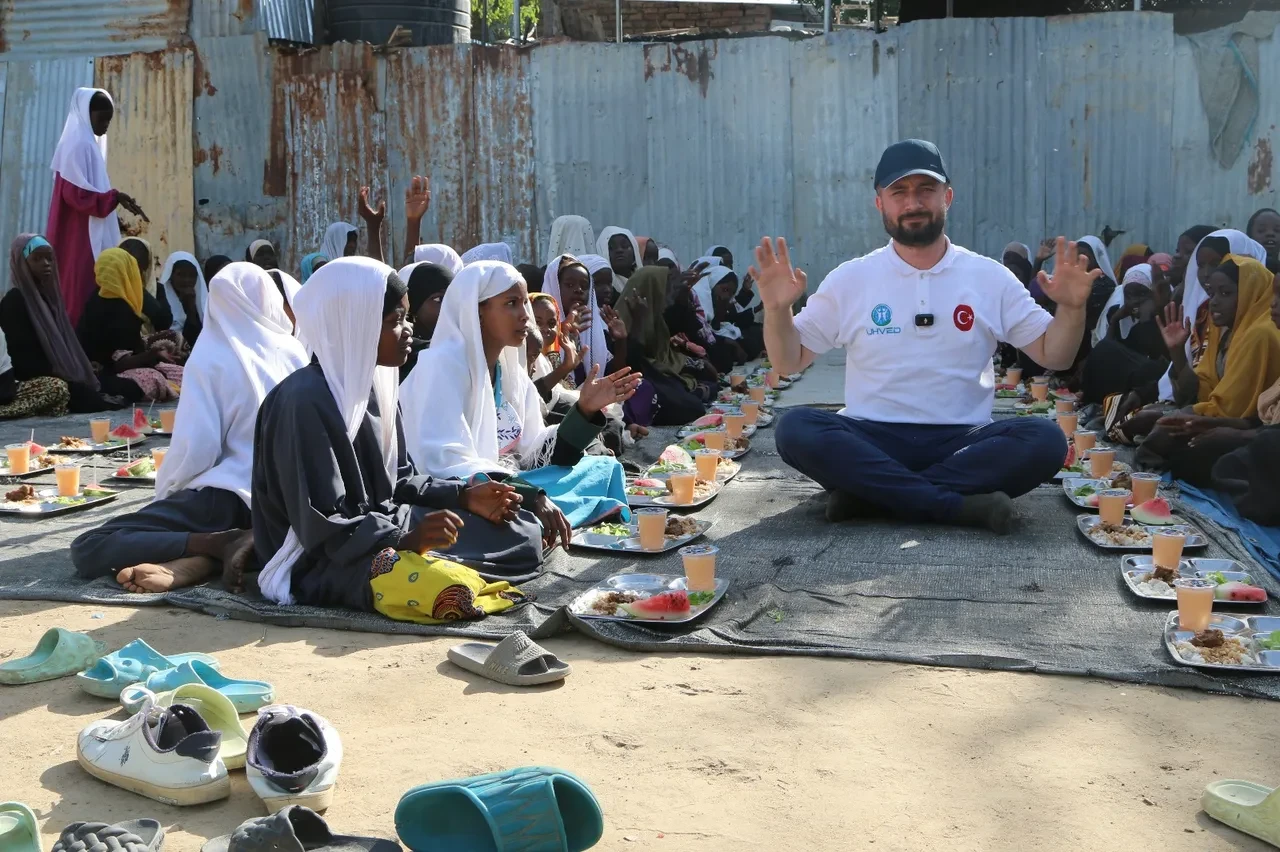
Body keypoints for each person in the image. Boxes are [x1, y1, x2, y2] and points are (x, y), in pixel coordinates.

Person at [762, 139, 1096, 533]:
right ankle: (955, 506)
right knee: (796, 429)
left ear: (947, 196)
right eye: (899, 192)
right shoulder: (851, 278)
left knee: (1046, 440)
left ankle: (871, 495)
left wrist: (1071, 309)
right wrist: (777, 309)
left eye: (926, 189)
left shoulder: (989, 277)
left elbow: (1055, 355)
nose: (913, 203)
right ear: (880, 203)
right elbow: (788, 361)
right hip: (871, 436)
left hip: (963, 441)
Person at [253, 257, 545, 614]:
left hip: (387, 526)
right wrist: (405, 540)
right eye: (395, 321)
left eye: (407, 319)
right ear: (356, 325)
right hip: (325, 558)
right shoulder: (302, 401)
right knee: (443, 588)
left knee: (523, 531)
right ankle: (431, 571)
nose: (408, 330)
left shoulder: (376, 388)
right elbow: (322, 525)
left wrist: (463, 496)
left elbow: (402, 480)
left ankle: (433, 564)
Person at [70, 263, 308, 592]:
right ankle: (234, 551)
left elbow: (196, 450)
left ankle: (213, 546)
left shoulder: (210, 355)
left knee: (90, 545)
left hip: (231, 497)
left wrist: (169, 495)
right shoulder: (295, 350)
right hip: (290, 502)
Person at [401, 261, 640, 538]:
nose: (525, 315)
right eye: (511, 303)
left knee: (604, 468)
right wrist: (531, 496)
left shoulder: (510, 372)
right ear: (478, 311)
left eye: (524, 303)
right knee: (514, 517)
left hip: (510, 483)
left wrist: (585, 410)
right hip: (460, 496)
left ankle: (541, 518)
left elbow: (536, 454)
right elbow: (447, 464)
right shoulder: (439, 366)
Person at [1135, 256, 1280, 483]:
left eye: (1226, 293)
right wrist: (1176, 351)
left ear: (1251, 294)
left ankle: (1144, 478)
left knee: (1184, 451)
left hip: (1254, 433)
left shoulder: (1260, 334)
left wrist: (1186, 418)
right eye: (1211, 293)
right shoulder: (1226, 332)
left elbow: (1233, 410)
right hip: (1243, 426)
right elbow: (1196, 392)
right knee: (1161, 422)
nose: (1214, 302)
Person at [46, 87, 146, 327]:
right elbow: (74, 194)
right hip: (79, 231)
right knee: (79, 286)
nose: (105, 125)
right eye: (101, 119)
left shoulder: (87, 143)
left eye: (109, 120)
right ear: (86, 114)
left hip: (85, 225)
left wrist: (113, 199)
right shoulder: (78, 144)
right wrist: (112, 198)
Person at [1, 235, 132, 413]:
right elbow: (22, 360)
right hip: (29, 379)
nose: (46, 264)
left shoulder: (49, 299)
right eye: (37, 259)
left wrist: (79, 365)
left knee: (121, 387)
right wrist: (60, 371)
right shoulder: (15, 301)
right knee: (67, 391)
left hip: (57, 371)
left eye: (49, 258)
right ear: (22, 263)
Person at [78, 248, 181, 401]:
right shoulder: (120, 308)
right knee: (155, 378)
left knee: (178, 368)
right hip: (107, 373)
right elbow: (119, 363)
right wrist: (152, 355)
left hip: (102, 368)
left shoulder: (95, 298)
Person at [616, 267, 710, 425]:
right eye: (665, 287)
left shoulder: (656, 312)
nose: (668, 292)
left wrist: (683, 295)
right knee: (691, 406)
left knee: (705, 376)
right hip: (641, 376)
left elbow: (687, 328)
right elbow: (633, 362)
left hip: (658, 367)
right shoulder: (619, 318)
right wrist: (639, 321)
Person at [398, 261, 454, 380]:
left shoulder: (458, 350)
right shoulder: (404, 357)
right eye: (439, 299)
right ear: (413, 305)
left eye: (453, 298)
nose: (450, 306)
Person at [118, 237, 173, 336]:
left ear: (146, 266)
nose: (130, 273)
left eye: (136, 269)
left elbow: (164, 322)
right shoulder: (108, 290)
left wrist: (139, 291)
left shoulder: (157, 289)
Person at [158, 252, 208, 348]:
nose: (187, 280)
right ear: (171, 275)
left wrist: (191, 307)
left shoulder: (202, 304)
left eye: (192, 275)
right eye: (181, 274)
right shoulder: (161, 299)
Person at [596, 227, 642, 292]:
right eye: (612, 247)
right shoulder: (603, 292)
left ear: (635, 251)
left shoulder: (646, 284)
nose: (619, 250)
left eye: (625, 246)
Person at [1246, 207, 1280, 273]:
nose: (1270, 233)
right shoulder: (1239, 270)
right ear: (1249, 237)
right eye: (1261, 230)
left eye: (1277, 230)